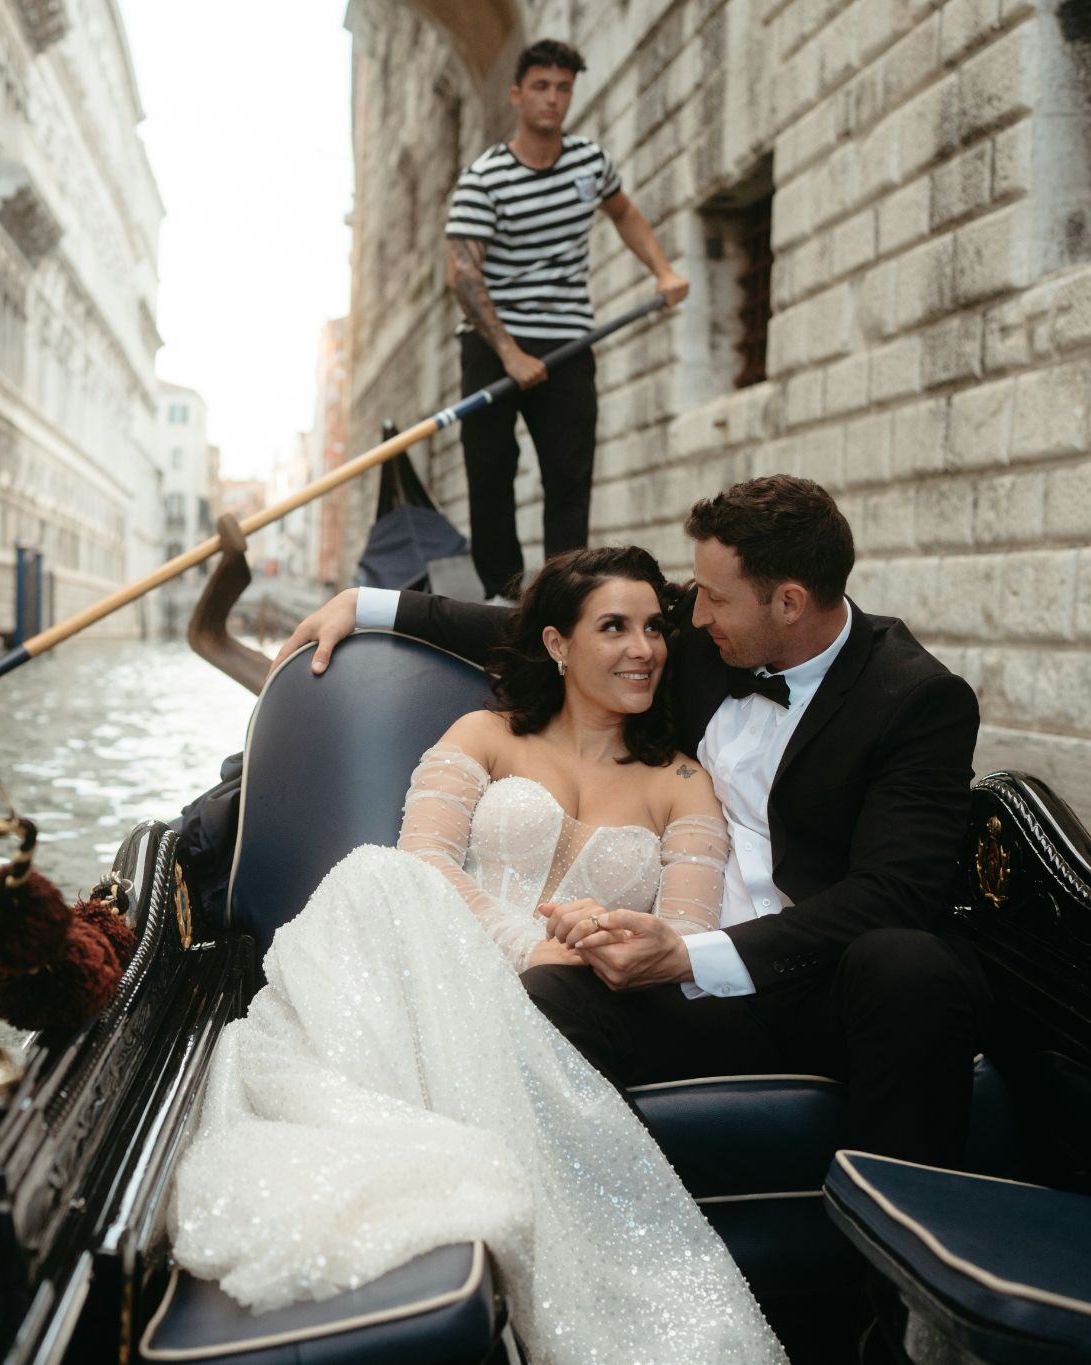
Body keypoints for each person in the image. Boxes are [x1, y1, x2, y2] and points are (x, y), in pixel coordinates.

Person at [173, 548, 785, 1364]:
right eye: (614, 627)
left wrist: (610, 935)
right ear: (558, 644)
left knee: (436, 917)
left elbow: (682, 932)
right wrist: (534, 945)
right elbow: (425, 862)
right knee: (375, 876)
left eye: (653, 628)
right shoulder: (485, 734)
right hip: (445, 970)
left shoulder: (681, 779)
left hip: (581, 1005)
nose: (644, 648)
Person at [275, 476, 988, 1167]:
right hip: (690, 997)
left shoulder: (917, 700)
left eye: (713, 599)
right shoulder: (712, 637)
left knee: (907, 963)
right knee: (556, 991)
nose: (692, 620)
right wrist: (369, 604)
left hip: (817, 985)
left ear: (789, 602)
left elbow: (894, 892)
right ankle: (573, 1214)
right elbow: (558, 628)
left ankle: (897, 1232)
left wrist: (692, 954)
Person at [447, 38, 688, 600]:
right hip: (493, 342)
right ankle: (504, 596)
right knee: (490, 472)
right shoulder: (484, 178)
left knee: (569, 476)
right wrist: (510, 353)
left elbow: (624, 213)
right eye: (541, 87)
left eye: (562, 88)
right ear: (517, 95)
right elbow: (462, 274)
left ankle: (561, 596)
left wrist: (662, 270)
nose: (552, 99)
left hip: (569, 340)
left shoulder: (590, 163)